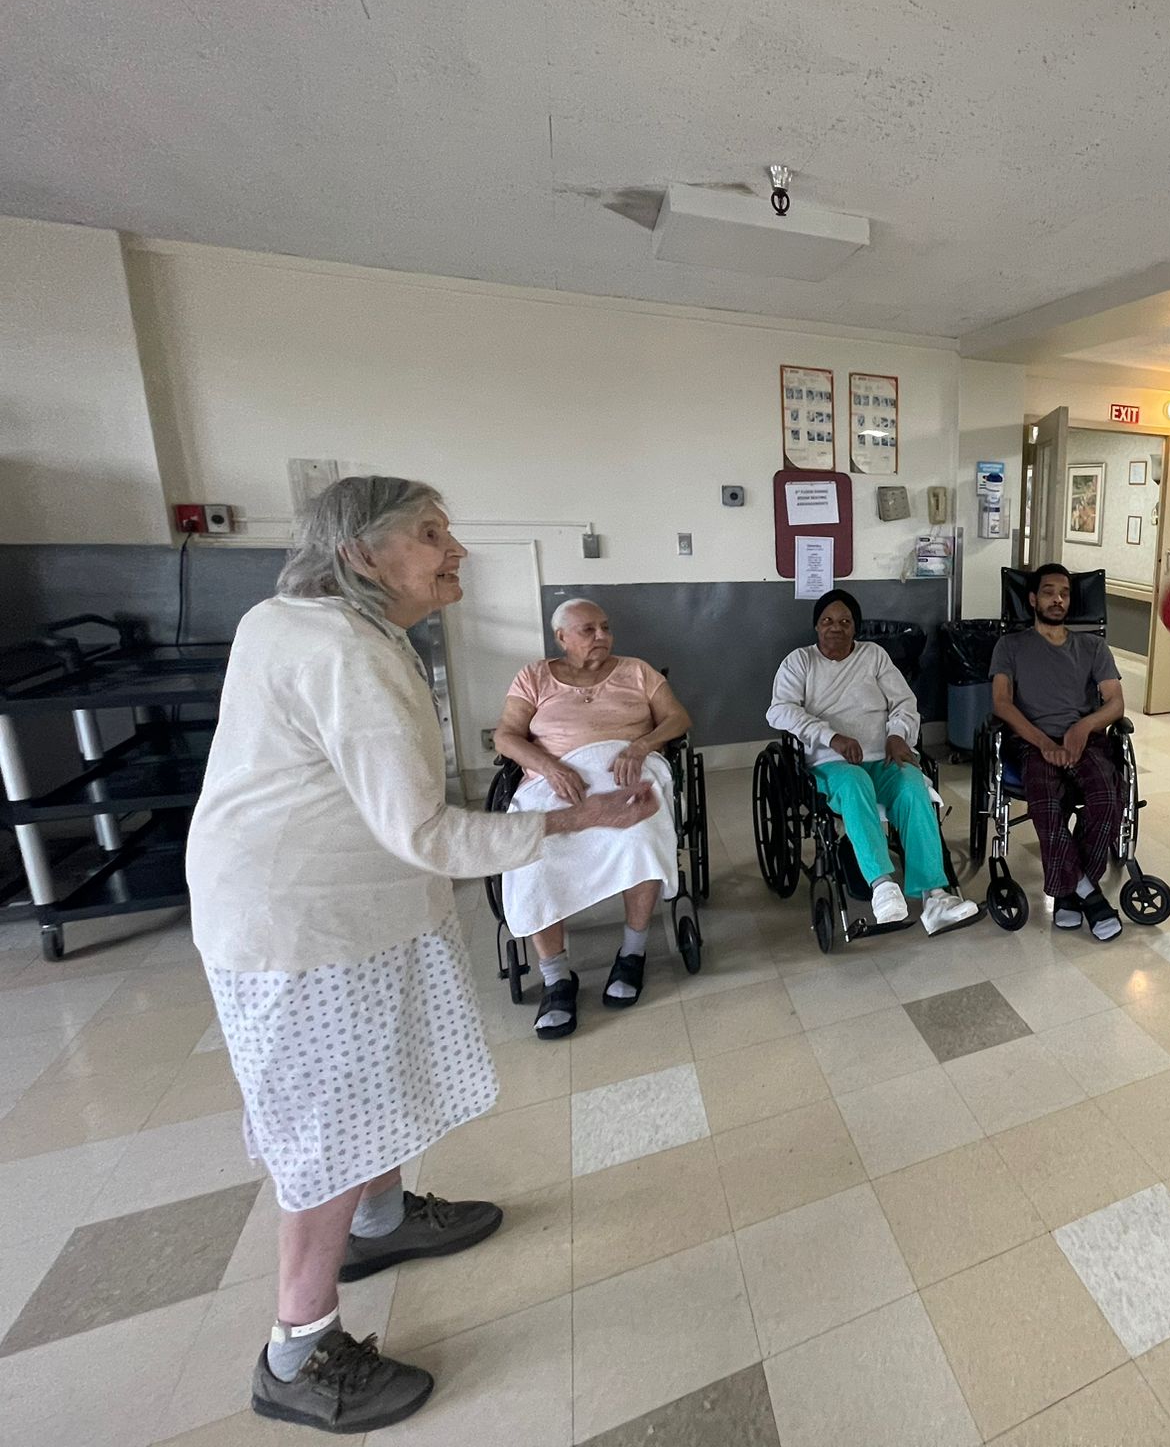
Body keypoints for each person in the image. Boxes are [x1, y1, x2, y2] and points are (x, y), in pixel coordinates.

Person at [188, 478, 657, 1434]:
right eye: (431, 534)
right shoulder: (342, 650)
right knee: (324, 1128)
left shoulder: (293, 621)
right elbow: (427, 832)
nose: (457, 551)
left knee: (370, 1078)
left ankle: (382, 1218)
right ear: (361, 555)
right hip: (301, 925)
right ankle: (297, 1351)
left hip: (334, 904)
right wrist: (575, 821)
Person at [493, 598, 692, 1038]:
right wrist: (549, 767)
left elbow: (677, 718)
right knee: (533, 849)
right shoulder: (534, 676)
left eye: (605, 627)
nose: (602, 636)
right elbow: (506, 736)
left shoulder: (637, 671)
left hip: (627, 769)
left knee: (640, 833)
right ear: (561, 637)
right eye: (589, 630)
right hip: (556, 780)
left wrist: (641, 746)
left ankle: (633, 952)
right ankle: (556, 977)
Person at [767, 591, 980, 933]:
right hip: (831, 762)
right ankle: (882, 886)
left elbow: (904, 702)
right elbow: (780, 710)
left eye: (845, 621)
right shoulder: (800, 662)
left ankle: (936, 897)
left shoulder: (874, 656)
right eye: (827, 621)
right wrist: (831, 737)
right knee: (855, 783)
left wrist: (898, 735)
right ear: (816, 626)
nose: (836, 628)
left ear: (856, 627)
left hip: (883, 756)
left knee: (912, 786)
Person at [991, 563, 1127, 941]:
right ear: (1032, 599)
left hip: (1085, 739)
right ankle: (1088, 893)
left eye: (1065, 593)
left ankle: (1068, 893)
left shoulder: (1093, 646)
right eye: (1049, 592)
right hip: (1032, 741)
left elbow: (1115, 703)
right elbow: (1001, 703)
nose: (1058, 600)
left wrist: (1083, 727)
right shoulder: (1010, 646)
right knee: (1047, 803)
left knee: (1107, 798)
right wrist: (1044, 743)